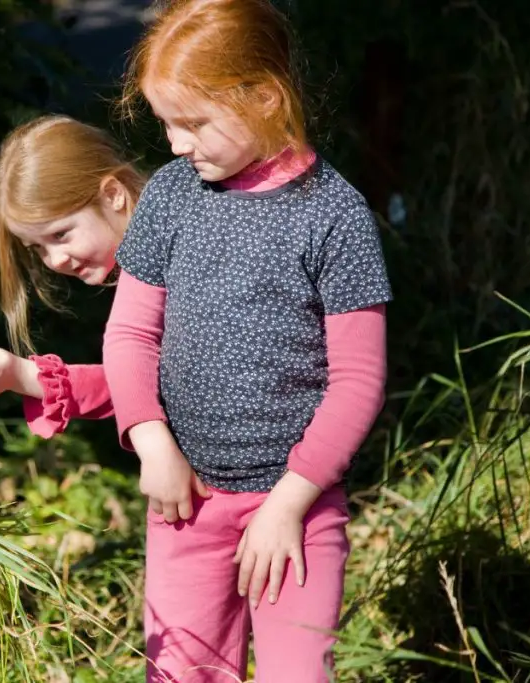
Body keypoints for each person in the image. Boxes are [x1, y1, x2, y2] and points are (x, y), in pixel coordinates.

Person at [102, 0, 392, 681]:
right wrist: (151, 440)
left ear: (263, 97)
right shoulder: (171, 197)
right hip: (185, 501)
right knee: (180, 671)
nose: (174, 143)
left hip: (297, 506)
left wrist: (289, 500)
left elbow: (358, 378)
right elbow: (130, 331)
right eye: (167, 123)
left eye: (193, 122)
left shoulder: (335, 216)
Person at [0, 113, 185, 444]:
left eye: (61, 234)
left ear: (112, 194)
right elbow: (137, 384)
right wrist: (20, 374)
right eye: (37, 248)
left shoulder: (187, 264)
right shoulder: (148, 271)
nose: (54, 260)